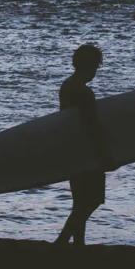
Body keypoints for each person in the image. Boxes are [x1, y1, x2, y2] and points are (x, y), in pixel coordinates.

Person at [55, 43, 114, 245]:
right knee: (91, 201)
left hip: (72, 149)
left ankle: (78, 243)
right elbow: (92, 125)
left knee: (80, 201)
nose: (96, 71)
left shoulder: (67, 85)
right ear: (89, 66)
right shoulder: (84, 92)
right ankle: (62, 241)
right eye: (96, 66)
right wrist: (106, 155)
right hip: (87, 151)